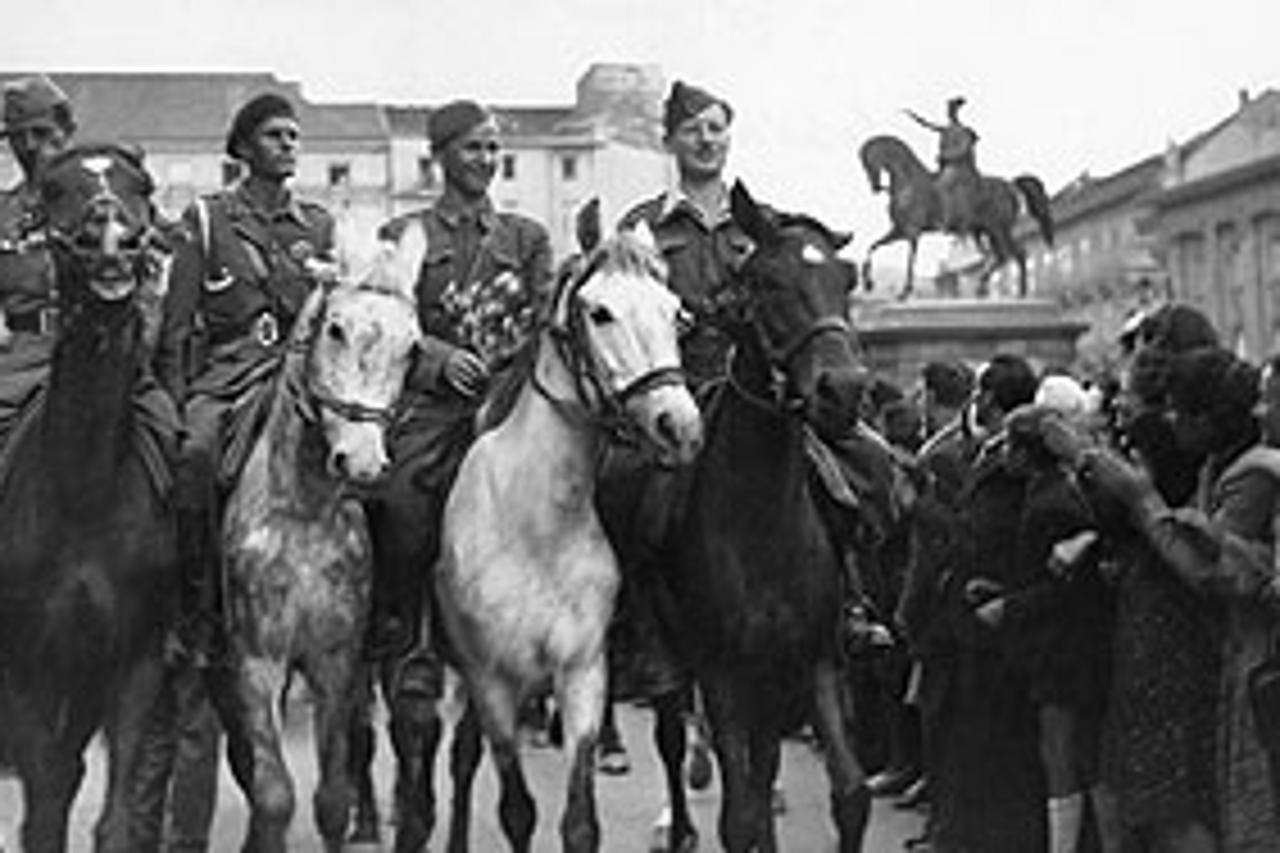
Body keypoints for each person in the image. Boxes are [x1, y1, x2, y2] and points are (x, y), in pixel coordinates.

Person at [365, 98, 552, 699]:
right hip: (432, 409)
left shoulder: (526, 237)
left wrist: (507, 358)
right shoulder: (404, 235)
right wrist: (439, 360)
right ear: (439, 156)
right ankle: (410, 632)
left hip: (509, 406)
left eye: (494, 148)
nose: (486, 160)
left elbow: (545, 319)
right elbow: (387, 322)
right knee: (401, 503)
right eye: (472, 147)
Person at [155, 92, 337, 660]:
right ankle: (198, 608)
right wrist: (180, 401)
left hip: (303, 378)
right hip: (230, 375)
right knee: (195, 458)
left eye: (293, 136)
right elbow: (178, 325)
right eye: (273, 136)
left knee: (367, 464)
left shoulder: (317, 224)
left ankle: (365, 612)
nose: (287, 145)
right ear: (243, 149)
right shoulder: (208, 219)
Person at [1083, 346, 1280, 852]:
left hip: (1253, 654)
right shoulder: (1223, 464)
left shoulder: (1256, 473)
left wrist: (1141, 500)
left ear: (1208, 416)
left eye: (1176, 409)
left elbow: (1209, 572)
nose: (1264, 413)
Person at [0, 75, 75, 449]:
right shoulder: (3, 212)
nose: (29, 146)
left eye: (42, 133)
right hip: (22, 356)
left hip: (92, 346)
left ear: (67, 131)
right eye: (17, 136)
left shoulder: (103, 199)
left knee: (166, 430)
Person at [906, 96, 981, 232]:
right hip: (947, 167)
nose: (949, 114)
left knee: (942, 187)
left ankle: (947, 220)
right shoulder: (947, 129)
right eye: (948, 112)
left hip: (960, 168)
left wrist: (946, 156)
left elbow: (963, 150)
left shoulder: (962, 131)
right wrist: (914, 117)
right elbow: (929, 125)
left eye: (952, 111)